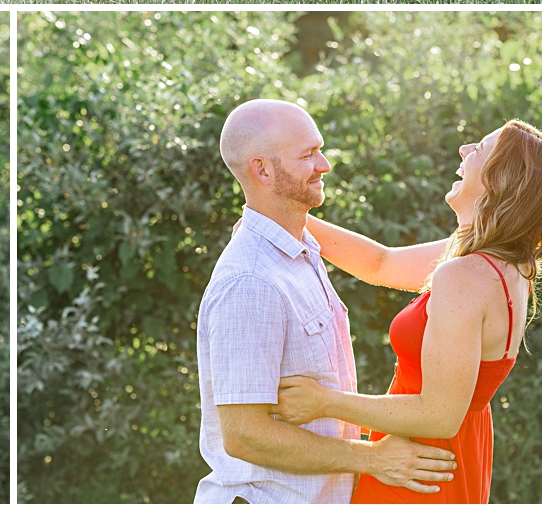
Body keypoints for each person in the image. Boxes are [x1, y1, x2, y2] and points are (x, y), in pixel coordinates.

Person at [271, 119, 542, 504]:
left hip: (419, 465)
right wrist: (283, 217)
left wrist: (324, 401)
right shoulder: (499, 263)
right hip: (444, 456)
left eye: (478, 149)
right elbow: (380, 264)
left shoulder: (465, 276)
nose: (464, 151)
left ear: (500, 180)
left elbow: (439, 415)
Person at [193, 98, 459, 504]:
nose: (325, 165)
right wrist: (371, 458)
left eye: (319, 149)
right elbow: (245, 435)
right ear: (261, 169)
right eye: (308, 155)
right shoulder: (250, 281)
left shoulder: (302, 249)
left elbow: (380, 261)